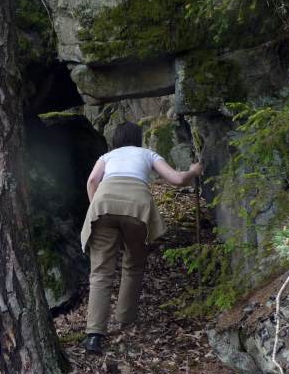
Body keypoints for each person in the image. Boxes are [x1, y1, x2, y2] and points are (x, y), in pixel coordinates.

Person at [80, 121, 202, 355]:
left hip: (103, 207)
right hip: (137, 209)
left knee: (101, 272)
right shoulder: (147, 153)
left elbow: (92, 181)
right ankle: (125, 318)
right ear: (139, 138)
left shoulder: (107, 156)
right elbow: (176, 179)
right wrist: (194, 171)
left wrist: (97, 204)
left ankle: (94, 335)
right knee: (133, 264)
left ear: (114, 139)